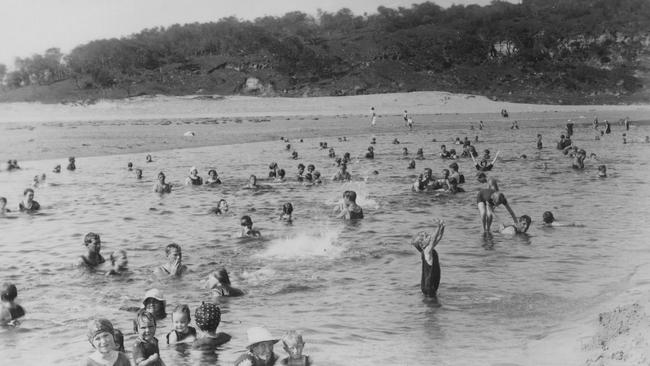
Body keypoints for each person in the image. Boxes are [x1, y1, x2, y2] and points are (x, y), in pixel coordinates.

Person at [411, 219, 445, 298]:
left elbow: (438, 237)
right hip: (429, 284)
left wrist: (442, 228)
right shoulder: (426, 251)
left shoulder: (429, 249)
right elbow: (433, 239)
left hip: (431, 283)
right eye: (424, 236)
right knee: (433, 304)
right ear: (422, 245)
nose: (427, 234)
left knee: (432, 303)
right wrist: (438, 226)